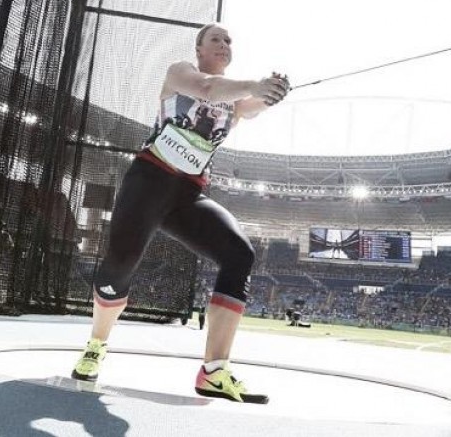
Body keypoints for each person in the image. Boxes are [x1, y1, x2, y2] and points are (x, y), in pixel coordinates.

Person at [71, 23, 290, 404]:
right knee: (119, 265)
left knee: (239, 254)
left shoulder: (236, 100)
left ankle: (214, 372)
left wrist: (274, 90)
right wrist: (255, 86)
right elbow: (208, 89)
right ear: (199, 48)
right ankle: (96, 344)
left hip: (188, 195)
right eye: (216, 39)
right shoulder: (180, 73)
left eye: (229, 41)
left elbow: (251, 105)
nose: (224, 44)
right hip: (148, 180)